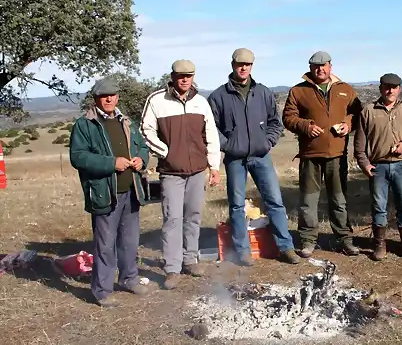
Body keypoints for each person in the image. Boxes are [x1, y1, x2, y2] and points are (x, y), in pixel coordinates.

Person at [207, 48, 301, 266]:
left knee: (275, 201)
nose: (243, 68)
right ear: (232, 65)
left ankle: (285, 247)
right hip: (235, 159)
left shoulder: (263, 92)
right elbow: (212, 128)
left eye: (247, 64)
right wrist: (228, 145)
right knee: (237, 205)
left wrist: (266, 142)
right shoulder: (219, 96)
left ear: (252, 66)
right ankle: (243, 251)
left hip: (261, 156)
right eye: (240, 64)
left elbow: (275, 123)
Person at [140, 59, 221, 290]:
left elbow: (211, 135)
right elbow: (145, 131)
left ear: (193, 77)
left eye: (189, 75)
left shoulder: (201, 102)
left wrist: (214, 167)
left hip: (197, 170)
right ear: (173, 77)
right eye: (181, 75)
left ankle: (190, 260)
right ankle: (172, 268)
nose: (185, 79)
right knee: (172, 219)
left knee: (193, 216)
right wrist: (166, 152)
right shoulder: (157, 100)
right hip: (171, 172)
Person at [69, 78, 150, 307]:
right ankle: (102, 291)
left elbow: (142, 147)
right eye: (104, 96)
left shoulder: (127, 122)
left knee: (130, 241)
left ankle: (129, 278)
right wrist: (111, 163)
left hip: (131, 191)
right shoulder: (85, 125)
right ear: (96, 98)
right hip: (105, 193)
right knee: (105, 244)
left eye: (113, 95)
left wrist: (141, 159)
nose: (109, 99)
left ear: (117, 97)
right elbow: (79, 157)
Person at [282, 51, 362, 258]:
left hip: (337, 154)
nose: (320, 69)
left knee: (339, 200)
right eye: (316, 66)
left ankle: (345, 239)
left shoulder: (345, 89)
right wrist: (305, 126)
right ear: (310, 68)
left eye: (324, 65)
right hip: (310, 155)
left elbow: (357, 113)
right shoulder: (298, 91)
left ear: (330, 66)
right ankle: (308, 241)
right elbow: (288, 117)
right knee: (308, 201)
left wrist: (348, 124)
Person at [353, 73, 402, 261]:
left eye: (394, 87)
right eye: (386, 86)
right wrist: (365, 164)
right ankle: (380, 244)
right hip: (378, 167)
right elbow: (359, 144)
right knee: (378, 206)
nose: (390, 90)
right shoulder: (368, 111)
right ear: (380, 88)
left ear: (400, 89)